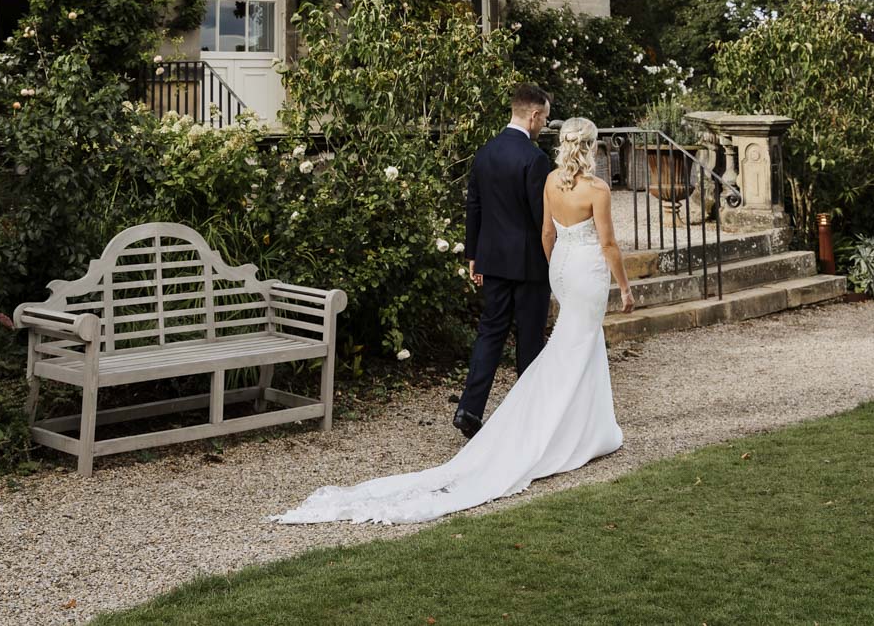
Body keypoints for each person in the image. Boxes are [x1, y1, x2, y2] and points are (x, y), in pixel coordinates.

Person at [270, 114, 635, 526]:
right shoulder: (577, 180)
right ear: (589, 145)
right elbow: (597, 240)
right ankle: (561, 424)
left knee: (524, 338)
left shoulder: (529, 169)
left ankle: (519, 415)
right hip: (566, 268)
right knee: (556, 344)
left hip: (548, 266)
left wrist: (518, 263)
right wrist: (620, 286)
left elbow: (522, 224)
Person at [453, 82, 555, 438]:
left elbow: (474, 206)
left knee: (490, 334)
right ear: (533, 114)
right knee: (530, 339)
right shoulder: (535, 158)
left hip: (492, 260)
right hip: (529, 264)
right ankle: (528, 416)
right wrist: (553, 259)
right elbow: (541, 217)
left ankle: (469, 408)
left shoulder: (485, 152)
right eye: (544, 118)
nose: (544, 125)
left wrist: (473, 255)